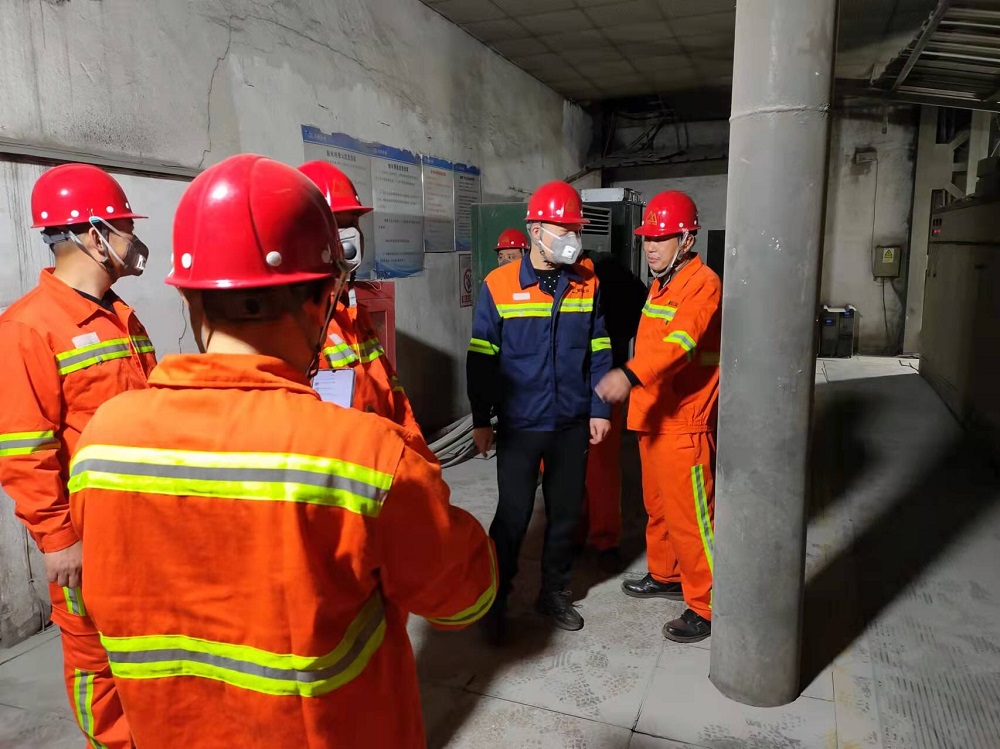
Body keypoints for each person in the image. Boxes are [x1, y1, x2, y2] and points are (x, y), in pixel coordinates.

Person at [67, 154, 497, 748]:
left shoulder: (101, 443)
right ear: (321, 302)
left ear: (189, 299)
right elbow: (465, 598)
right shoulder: (365, 459)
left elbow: (90, 635)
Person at [0, 163, 155, 748]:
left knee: (150, 650)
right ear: (94, 235)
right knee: (97, 663)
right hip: (88, 537)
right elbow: (23, 449)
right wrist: (58, 538)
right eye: (124, 228)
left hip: (144, 522)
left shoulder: (121, 317)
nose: (132, 241)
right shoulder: (27, 328)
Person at [467, 180, 612, 639]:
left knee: (565, 515)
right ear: (535, 230)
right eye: (563, 230)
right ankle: (494, 603)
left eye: (575, 230)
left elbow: (600, 348)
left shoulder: (587, 282)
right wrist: (481, 420)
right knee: (512, 517)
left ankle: (554, 592)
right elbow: (481, 357)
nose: (572, 238)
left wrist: (600, 408)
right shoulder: (499, 285)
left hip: (571, 423)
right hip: (520, 424)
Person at [596, 190, 721, 644]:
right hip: (652, 417)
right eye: (647, 238)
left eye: (661, 238)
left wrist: (628, 374)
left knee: (692, 519)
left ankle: (707, 605)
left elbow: (679, 344)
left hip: (684, 422)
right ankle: (666, 574)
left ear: (686, 239)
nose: (650, 247)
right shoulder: (661, 284)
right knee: (659, 509)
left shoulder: (702, 284)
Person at [298, 161, 419, 433]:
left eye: (353, 223)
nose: (350, 237)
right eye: (338, 225)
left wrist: (414, 448)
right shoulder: (297, 324)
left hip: (381, 451)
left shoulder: (355, 315)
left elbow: (393, 395)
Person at [578, 252, 648, 560]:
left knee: (601, 468)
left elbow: (639, 303)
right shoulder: (546, 275)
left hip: (604, 382)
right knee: (565, 469)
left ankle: (604, 540)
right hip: (563, 390)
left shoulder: (606, 269)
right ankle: (574, 532)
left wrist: (616, 338)